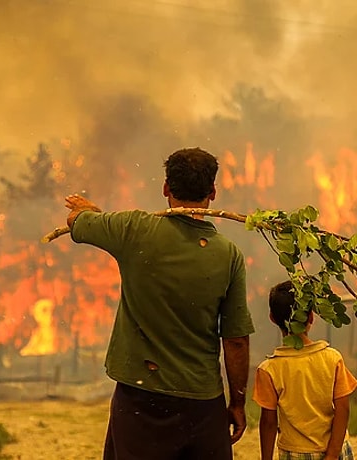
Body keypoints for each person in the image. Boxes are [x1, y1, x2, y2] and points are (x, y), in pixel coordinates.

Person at [64, 147, 255, 460]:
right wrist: (236, 402)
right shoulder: (228, 255)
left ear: (166, 189)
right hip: (202, 402)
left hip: (140, 399)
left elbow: (78, 222)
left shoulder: (133, 231)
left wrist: (88, 211)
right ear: (213, 192)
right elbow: (235, 341)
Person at [252, 281, 357, 460]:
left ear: (272, 318)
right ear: (311, 317)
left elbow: (269, 423)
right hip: (335, 450)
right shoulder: (332, 358)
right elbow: (343, 409)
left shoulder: (269, 370)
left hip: (294, 454)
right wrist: (332, 454)